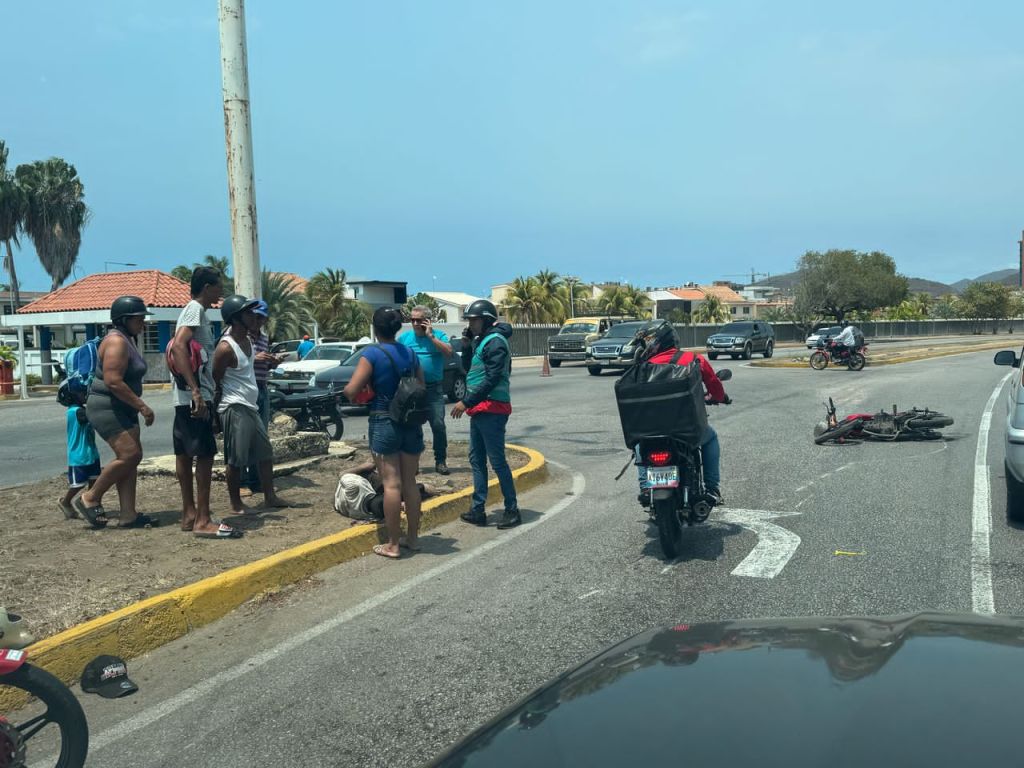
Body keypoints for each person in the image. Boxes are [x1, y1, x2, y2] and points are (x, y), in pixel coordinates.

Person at [343, 307, 424, 559]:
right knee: (409, 483)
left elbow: (351, 390)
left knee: (391, 484)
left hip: (383, 420)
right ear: (398, 327)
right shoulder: (410, 353)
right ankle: (412, 538)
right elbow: (420, 385)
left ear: (375, 328)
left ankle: (392, 544)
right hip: (410, 423)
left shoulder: (372, 354)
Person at [73, 296, 157, 528]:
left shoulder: (127, 340)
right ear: (124, 320)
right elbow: (113, 381)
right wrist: (142, 406)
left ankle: (128, 514)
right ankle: (90, 497)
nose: (144, 323)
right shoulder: (116, 342)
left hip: (123, 408)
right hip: (107, 407)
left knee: (129, 460)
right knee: (131, 455)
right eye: (139, 319)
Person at [169, 266, 238, 538]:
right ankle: (203, 519)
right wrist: (196, 389)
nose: (221, 291)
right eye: (219, 286)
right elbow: (178, 346)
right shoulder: (194, 310)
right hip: (194, 398)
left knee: (184, 454)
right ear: (207, 287)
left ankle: (190, 514)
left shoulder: (197, 312)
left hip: (187, 397)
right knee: (205, 455)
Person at [635, 321, 729, 506]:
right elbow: (714, 386)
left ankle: (646, 486)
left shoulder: (643, 367)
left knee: (640, 445)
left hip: (653, 428)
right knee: (710, 438)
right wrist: (719, 397)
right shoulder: (693, 359)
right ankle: (711, 488)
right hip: (687, 428)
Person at [212, 294, 291, 518]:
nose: (253, 317)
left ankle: (269, 496)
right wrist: (215, 415)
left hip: (250, 405)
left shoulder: (247, 341)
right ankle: (236, 504)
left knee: (264, 452)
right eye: (248, 313)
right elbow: (215, 380)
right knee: (236, 458)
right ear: (236, 319)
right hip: (235, 406)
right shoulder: (226, 347)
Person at [451, 299, 520, 529]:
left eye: (474, 320)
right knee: (476, 459)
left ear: (487, 320)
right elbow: (468, 369)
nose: (471, 324)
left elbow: (492, 378)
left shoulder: (495, 343)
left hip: (492, 408)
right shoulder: (481, 342)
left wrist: (465, 401)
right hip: (480, 409)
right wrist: (467, 344)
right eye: (469, 321)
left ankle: (512, 510)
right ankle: (478, 509)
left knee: (497, 461)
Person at [398, 305, 453, 475]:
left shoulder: (439, 336)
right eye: (412, 320)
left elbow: (449, 352)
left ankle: (441, 460)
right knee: (413, 425)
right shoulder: (405, 338)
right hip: (412, 389)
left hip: (433, 389)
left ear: (428, 321)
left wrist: (430, 336)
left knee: (438, 424)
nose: (415, 323)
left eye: (419, 320)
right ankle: (413, 463)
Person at [241, 299, 282, 493]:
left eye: (261, 319)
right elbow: (235, 362)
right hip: (247, 388)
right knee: (244, 436)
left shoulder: (264, 338)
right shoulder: (241, 337)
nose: (258, 322)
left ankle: (255, 479)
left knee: (261, 436)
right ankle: (242, 480)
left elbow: (263, 364)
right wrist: (255, 358)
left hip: (262, 387)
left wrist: (273, 362)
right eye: (255, 318)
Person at [58, 389, 100, 521]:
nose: (85, 395)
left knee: (95, 480)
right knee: (78, 484)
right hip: (79, 455)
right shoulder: (75, 411)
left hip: (91, 452)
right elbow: (93, 417)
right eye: (82, 393)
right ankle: (65, 501)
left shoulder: (80, 409)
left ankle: (92, 503)